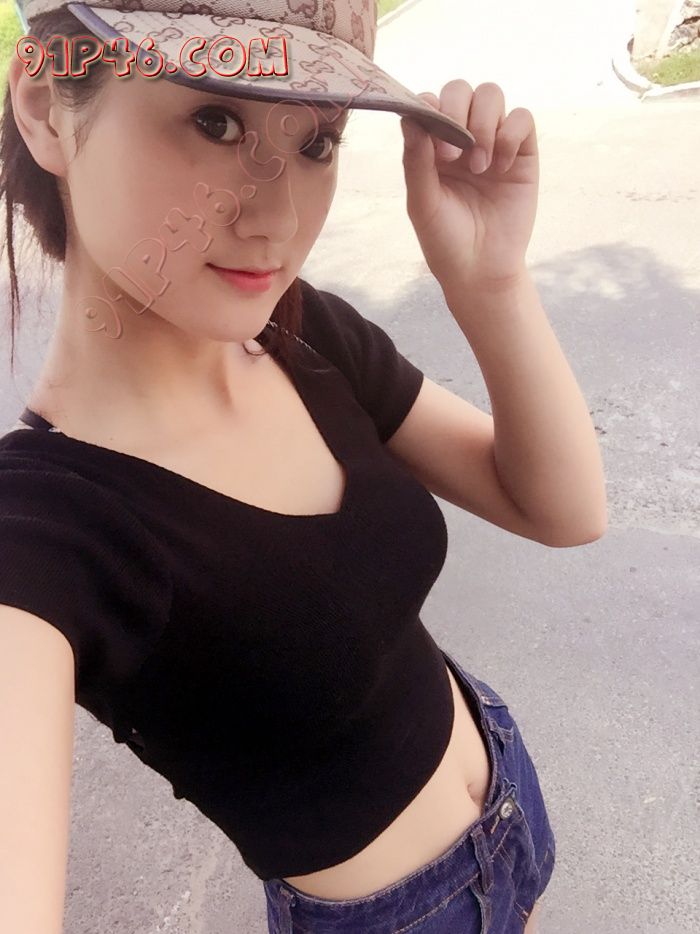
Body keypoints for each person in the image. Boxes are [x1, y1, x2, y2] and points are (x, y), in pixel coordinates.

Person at [0, 1, 607, 932]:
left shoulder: (296, 332)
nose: (278, 217)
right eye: (215, 120)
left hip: (506, 786)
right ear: (47, 105)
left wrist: (490, 282)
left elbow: (564, 510)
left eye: (318, 142)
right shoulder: (43, 533)